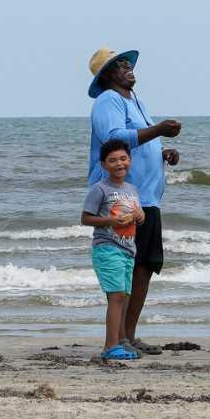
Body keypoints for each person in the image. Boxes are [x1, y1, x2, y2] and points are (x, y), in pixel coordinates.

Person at [85, 46, 181, 354]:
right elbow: (114, 137)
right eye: (120, 65)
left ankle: (129, 335)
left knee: (145, 266)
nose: (129, 68)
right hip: (122, 197)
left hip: (147, 199)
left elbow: (137, 142)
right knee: (127, 266)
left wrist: (161, 152)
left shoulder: (135, 101)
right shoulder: (107, 100)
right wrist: (159, 130)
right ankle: (118, 340)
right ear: (107, 75)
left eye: (128, 63)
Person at [81, 137, 143, 362]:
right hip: (107, 248)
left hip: (128, 250)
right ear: (103, 165)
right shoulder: (100, 189)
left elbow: (139, 215)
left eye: (123, 159)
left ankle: (119, 342)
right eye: (113, 160)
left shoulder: (132, 190)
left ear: (130, 160)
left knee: (125, 297)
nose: (119, 164)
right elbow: (85, 218)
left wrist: (140, 215)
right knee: (115, 297)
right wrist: (111, 221)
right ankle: (110, 346)